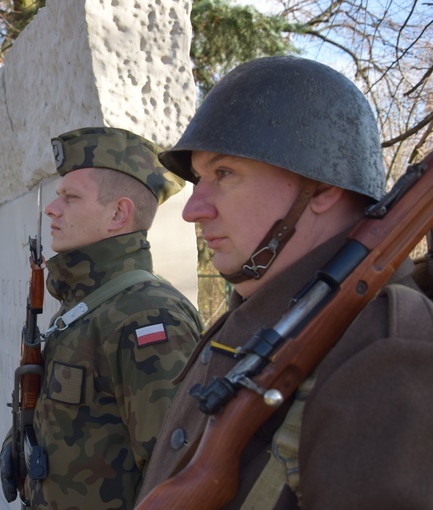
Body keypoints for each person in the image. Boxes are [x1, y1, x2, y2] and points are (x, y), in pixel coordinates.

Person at [137, 56, 433, 509]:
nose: (193, 209)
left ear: (323, 188)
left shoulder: (387, 346)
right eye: (199, 179)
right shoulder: (265, 311)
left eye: (224, 174)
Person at [0, 127, 204, 509]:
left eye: (71, 197)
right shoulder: (90, 304)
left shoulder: (145, 317)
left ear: (118, 214)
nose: (52, 209)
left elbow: (177, 477)